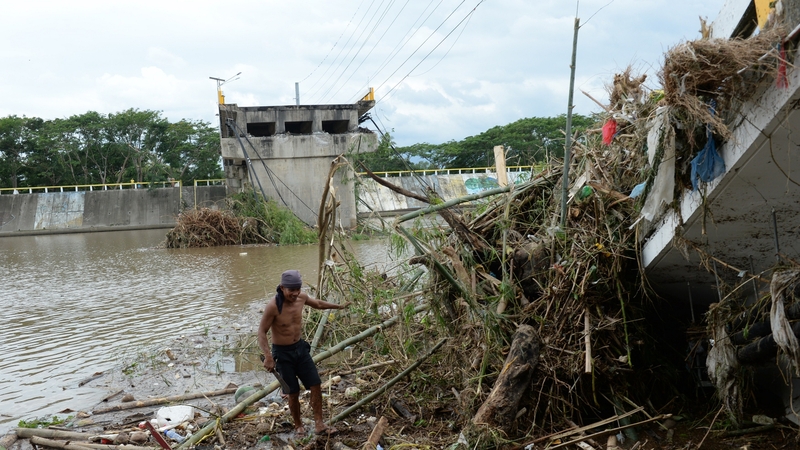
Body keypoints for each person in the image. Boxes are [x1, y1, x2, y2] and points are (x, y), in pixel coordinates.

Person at [257, 269, 349, 436]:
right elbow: (261, 331)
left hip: (300, 349)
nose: (295, 293)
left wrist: (339, 306)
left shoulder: (302, 298)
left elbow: (319, 304)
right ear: (282, 288)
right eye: (291, 290)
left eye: (297, 289)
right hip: (283, 354)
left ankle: (319, 424)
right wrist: (268, 357)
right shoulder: (273, 306)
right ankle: (298, 425)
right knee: (293, 392)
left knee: (315, 384)